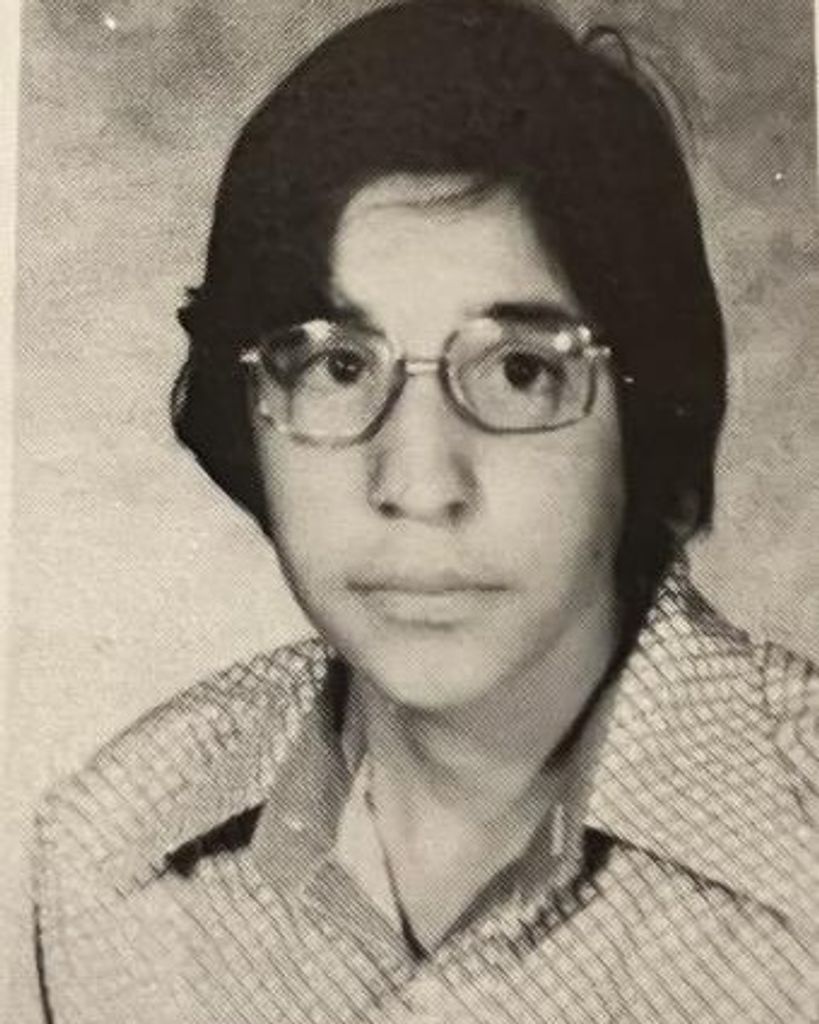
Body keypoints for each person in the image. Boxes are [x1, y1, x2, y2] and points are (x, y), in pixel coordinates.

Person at [33, 1, 818, 1021]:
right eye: (338, 366)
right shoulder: (112, 853)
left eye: (521, 370)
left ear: (646, 409)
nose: (417, 482)